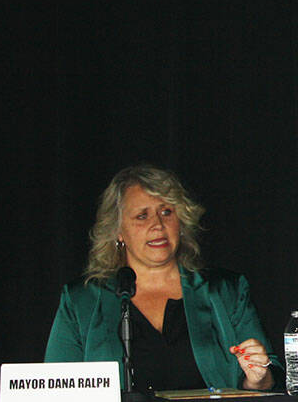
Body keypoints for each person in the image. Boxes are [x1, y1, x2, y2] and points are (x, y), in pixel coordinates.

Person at [45, 165, 276, 392]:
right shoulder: (81, 301)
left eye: (166, 212)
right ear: (118, 231)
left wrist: (258, 379)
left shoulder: (226, 290)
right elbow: (55, 389)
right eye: (142, 216)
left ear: (181, 222)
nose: (157, 225)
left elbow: (271, 374)